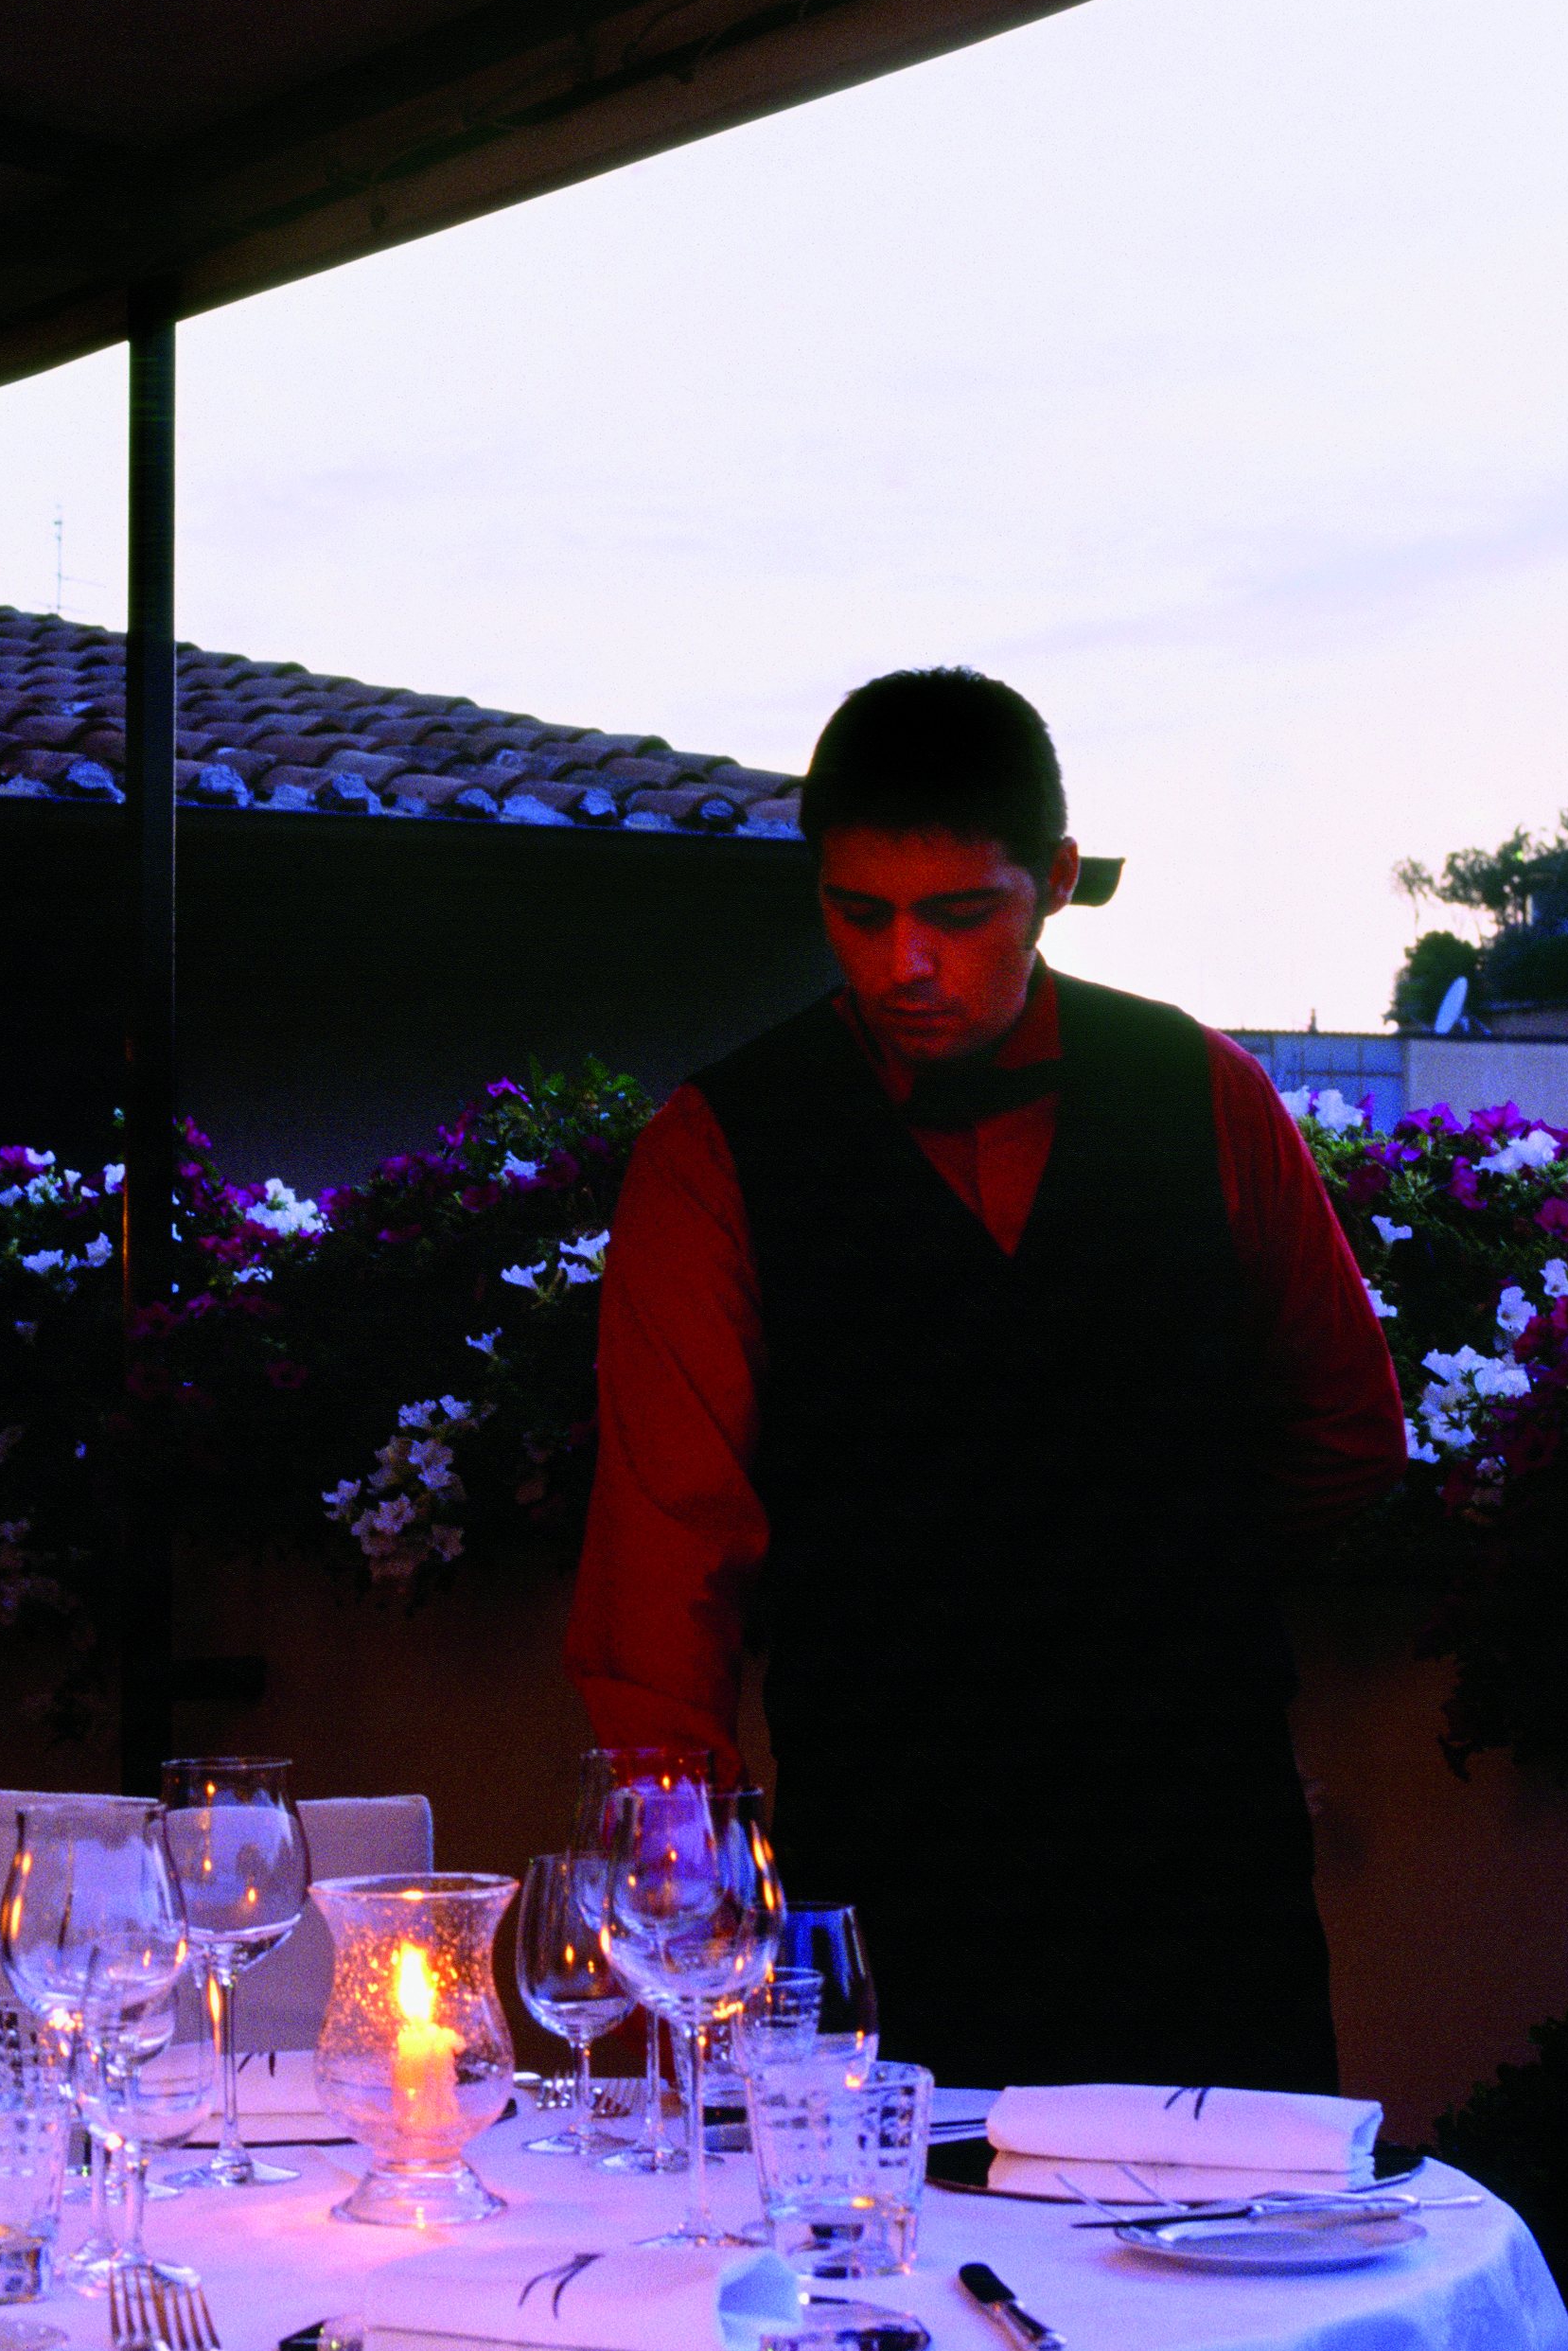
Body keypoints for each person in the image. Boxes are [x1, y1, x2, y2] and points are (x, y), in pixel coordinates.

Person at [566, 669, 1404, 2094]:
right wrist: (673, 1872)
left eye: (958, 915)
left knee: (1240, 2217)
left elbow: (1347, 1431)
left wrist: (1151, 1574)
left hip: (1201, 1858)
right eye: (860, 914)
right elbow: (665, 1542)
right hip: (889, 1879)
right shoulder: (716, 1149)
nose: (905, 963)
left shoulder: (1206, 1093)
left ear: (1058, 882)